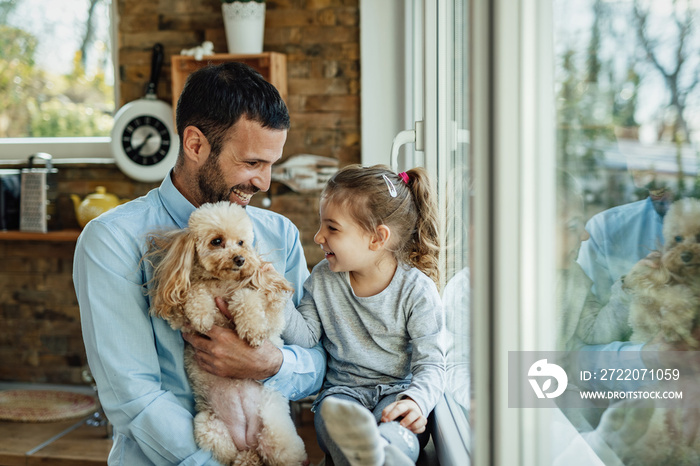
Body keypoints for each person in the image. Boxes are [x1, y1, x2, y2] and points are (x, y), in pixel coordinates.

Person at [73, 62, 326, 465]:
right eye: (252, 163)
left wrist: (269, 363)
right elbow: (134, 398)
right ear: (195, 145)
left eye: (271, 164)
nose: (264, 183)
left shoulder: (280, 234)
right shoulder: (112, 240)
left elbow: (320, 360)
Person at [282, 165, 446, 466]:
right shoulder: (322, 279)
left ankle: (385, 453)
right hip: (343, 395)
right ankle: (369, 456)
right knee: (334, 422)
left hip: (398, 392)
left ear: (376, 238)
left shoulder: (417, 290)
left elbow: (432, 363)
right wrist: (274, 299)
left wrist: (416, 402)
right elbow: (304, 337)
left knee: (399, 432)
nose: (318, 236)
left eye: (332, 228)